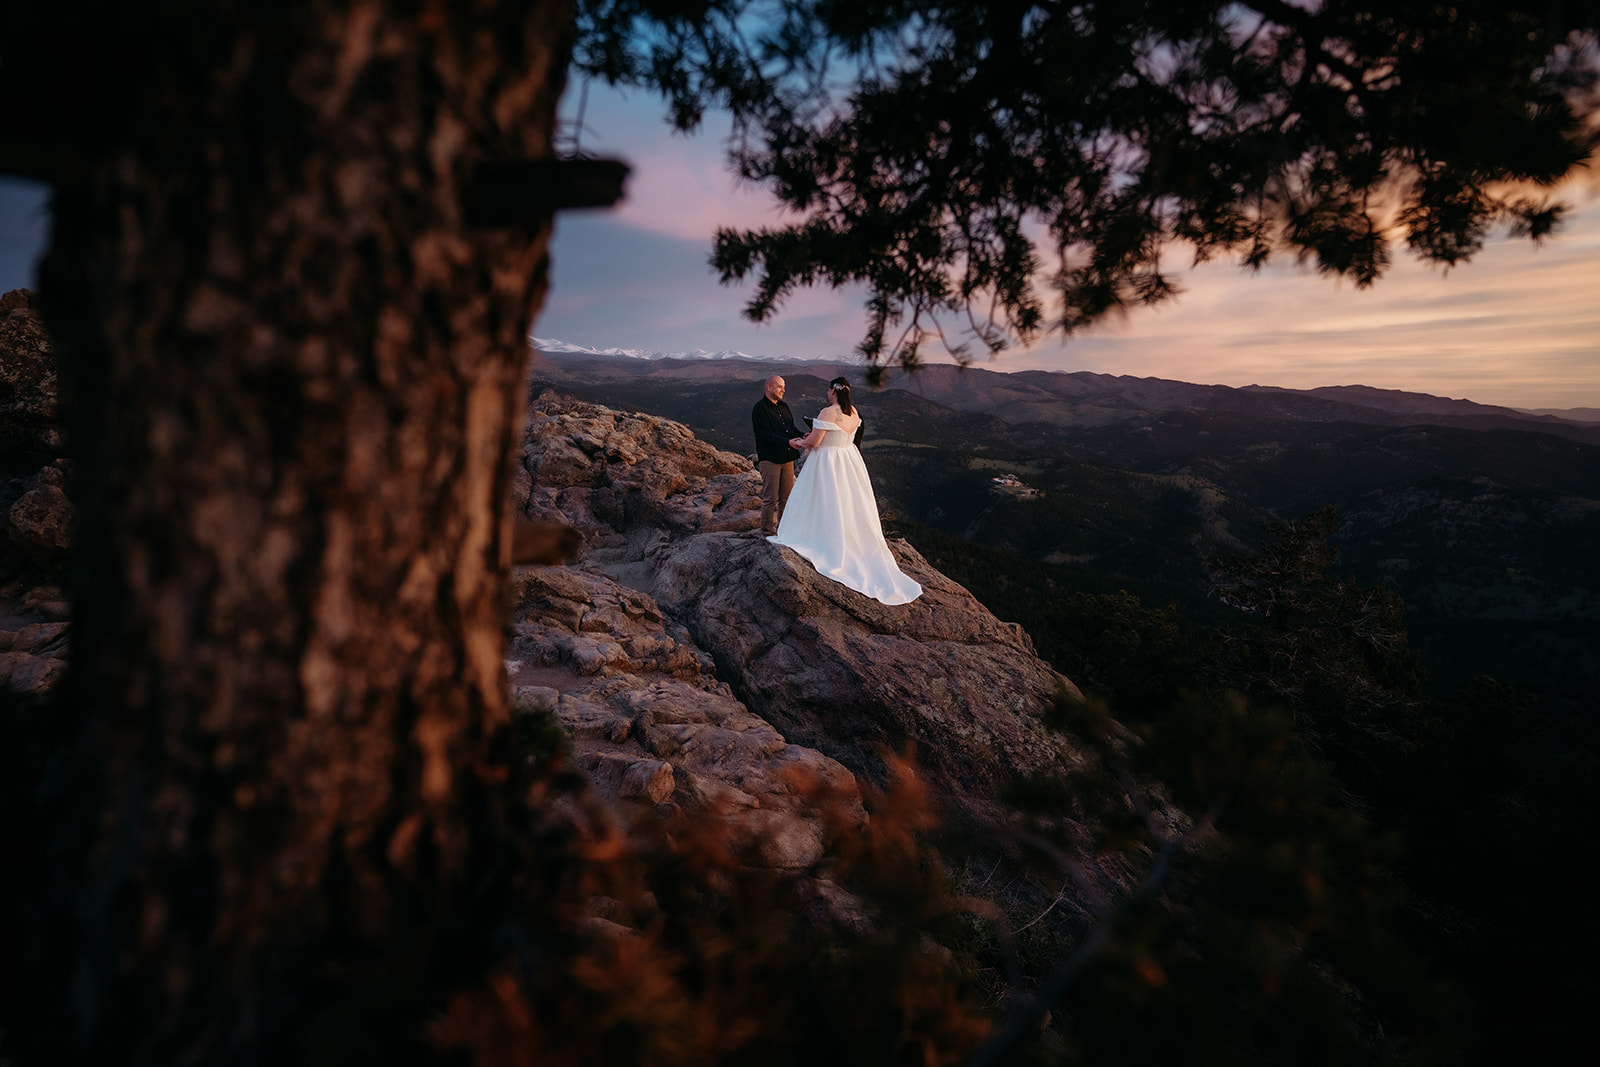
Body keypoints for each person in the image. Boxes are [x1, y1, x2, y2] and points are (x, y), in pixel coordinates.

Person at [769, 377, 922, 605]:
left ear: (832, 391)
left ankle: (819, 537)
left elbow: (814, 442)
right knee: (848, 503)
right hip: (849, 461)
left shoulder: (828, 412)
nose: (827, 393)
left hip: (828, 462)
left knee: (821, 500)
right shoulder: (854, 412)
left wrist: (797, 443)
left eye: (828, 389)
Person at [752, 375, 801, 536]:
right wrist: (789, 442)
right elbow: (766, 435)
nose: (783, 390)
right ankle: (766, 531)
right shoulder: (760, 408)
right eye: (779, 387)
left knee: (786, 498)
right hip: (770, 459)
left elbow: (791, 429)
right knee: (770, 498)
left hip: (787, 458)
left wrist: (803, 436)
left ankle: (783, 530)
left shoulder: (784, 406)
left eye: (783, 387)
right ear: (768, 387)